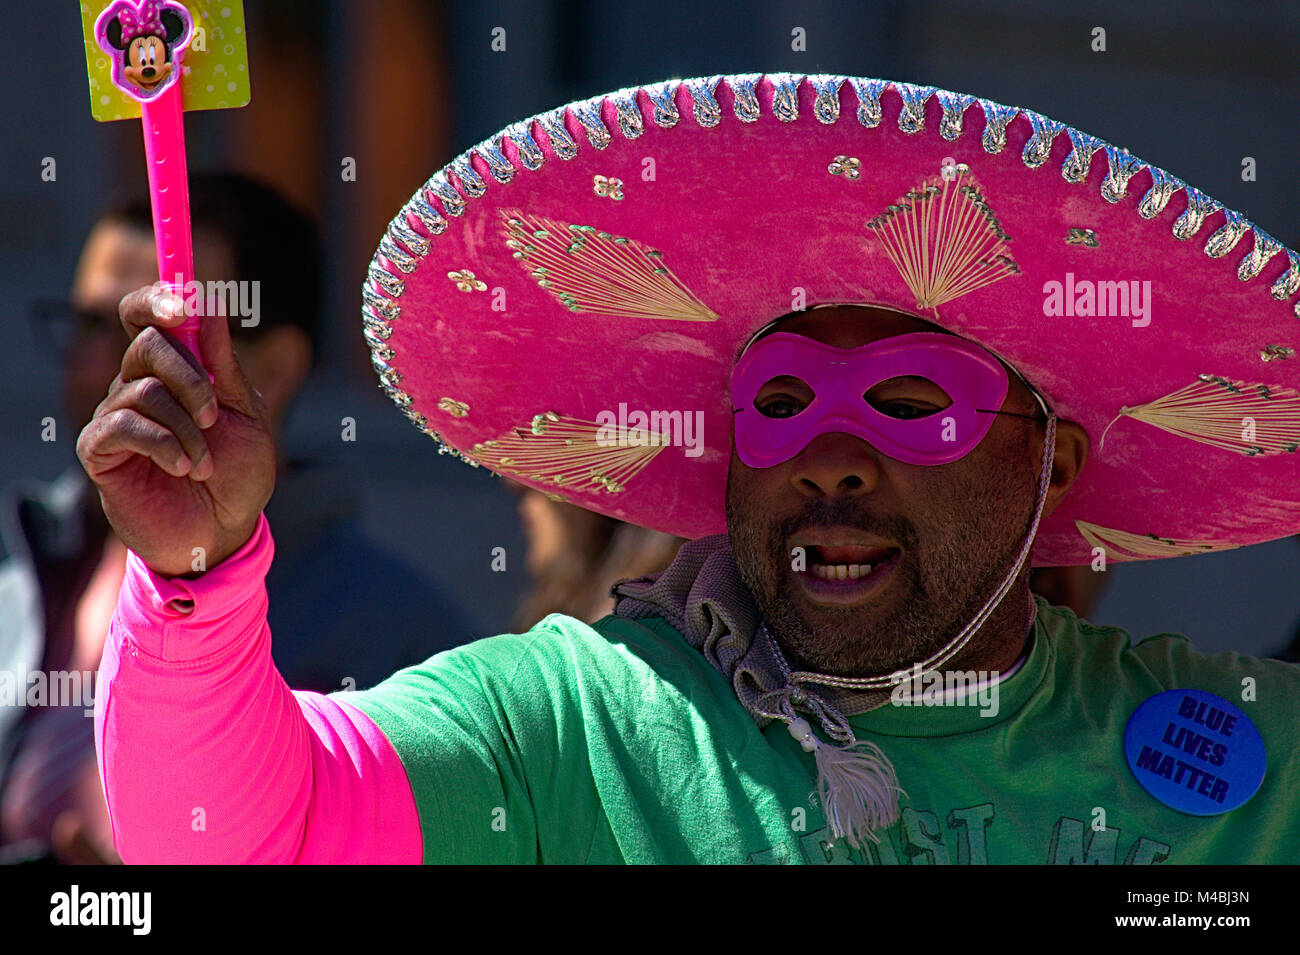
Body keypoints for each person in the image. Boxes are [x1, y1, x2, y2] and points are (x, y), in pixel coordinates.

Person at [80, 75, 1300, 863]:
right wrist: (195, 573)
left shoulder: (1230, 755)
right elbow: (228, 836)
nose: (831, 461)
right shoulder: (573, 726)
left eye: (911, 404)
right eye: (780, 402)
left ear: (1053, 463)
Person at [0, 173, 474, 864]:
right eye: (88, 323)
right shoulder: (21, 584)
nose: (116, 363)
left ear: (275, 366)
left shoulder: (403, 640)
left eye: (160, 333)